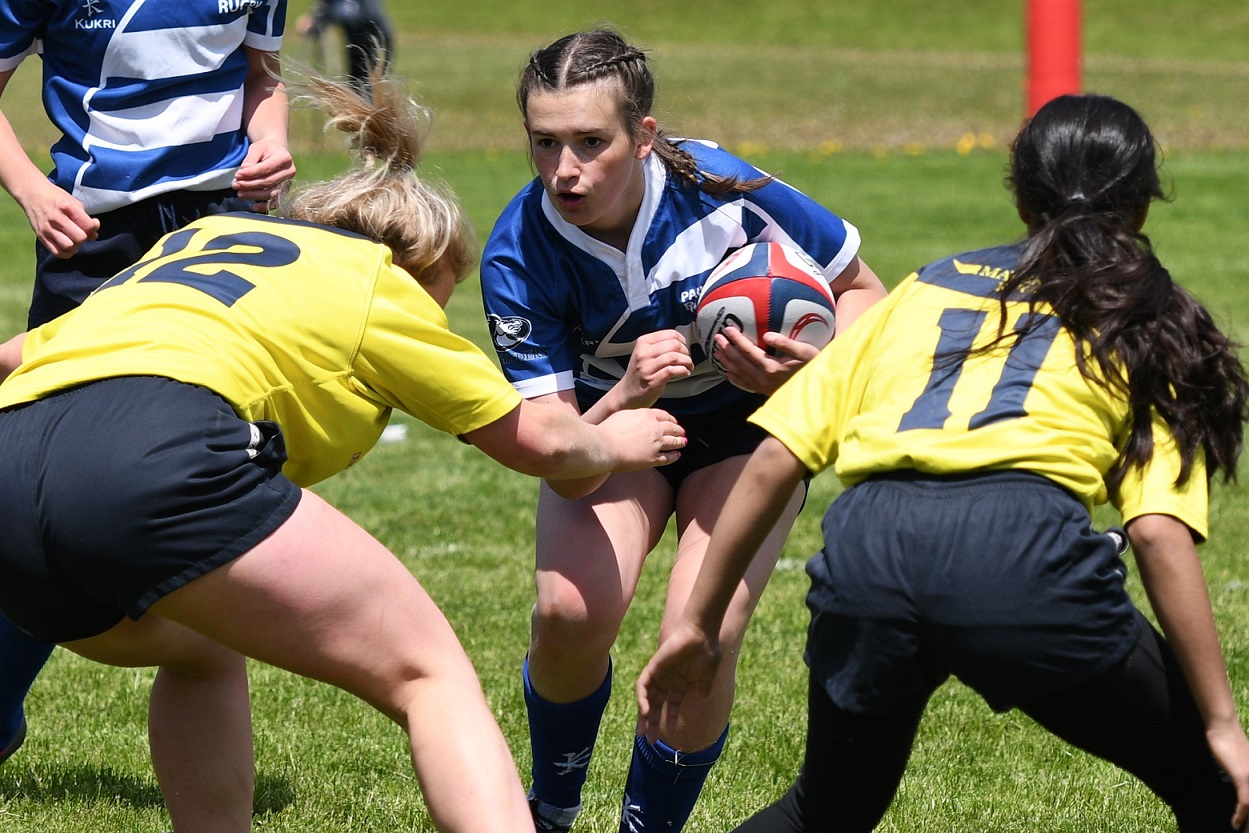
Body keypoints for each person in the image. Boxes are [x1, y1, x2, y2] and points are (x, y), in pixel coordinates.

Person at [0, 68, 687, 833]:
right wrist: (612, 434)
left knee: (201, 646)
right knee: (429, 673)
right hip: (157, 449)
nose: (429, 325)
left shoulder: (197, 241)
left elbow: (15, 358)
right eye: (436, 303)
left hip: (11, 472)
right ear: (412, 265)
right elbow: (541, 442)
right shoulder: (373, 280)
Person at [637, 93, 1249, 832]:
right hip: (1017, 559)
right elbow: (1154, 530)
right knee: (1221, 790)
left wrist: (698, 627)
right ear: (1144, 205)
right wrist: (1222, 724)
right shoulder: (1148, 314)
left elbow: (776, 458)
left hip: (867, 554)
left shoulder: (928, 285)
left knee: (823, 812)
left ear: (1020, 199)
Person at [478, 28, 887, 833]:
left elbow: (864, 293)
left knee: (700, 640)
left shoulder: (724, 188)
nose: (565, 169)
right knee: (568, 612)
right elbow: (559, 454)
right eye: (545, 143)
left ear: (643, 137)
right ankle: (551, 807)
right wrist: (624, 396)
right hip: (610, 436)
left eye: (590, 142)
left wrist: (803, 373)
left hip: (742, 432)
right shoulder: (517, 252)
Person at [0, 0, 298, 763]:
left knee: (220, 461)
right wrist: (32, 188)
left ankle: (203, 689)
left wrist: (271, 141)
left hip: (223, 235)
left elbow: (261, 76)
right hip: (96, 235)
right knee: (40, 471)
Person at [297, 0, 394, 92]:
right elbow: (326, 7)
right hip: (356, 42)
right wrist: (315, 20)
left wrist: (320, 19)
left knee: (368, 85)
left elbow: (353, 13)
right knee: (357, 83)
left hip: (375, 40)